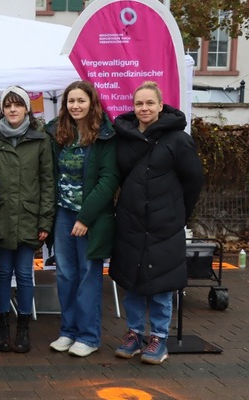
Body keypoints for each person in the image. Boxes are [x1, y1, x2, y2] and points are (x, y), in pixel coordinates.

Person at [110, 81, 203, 365]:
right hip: (131, 222)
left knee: (161, 285)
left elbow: (194, 181)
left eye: (150, 103)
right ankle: (135, 334)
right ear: (133, 107)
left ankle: (159, 339)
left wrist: (178, 215)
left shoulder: (178, 140)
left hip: (165, 225)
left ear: (161, 106)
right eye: (139, 103)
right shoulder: (124, 137)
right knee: (133, 281)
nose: (144, 108)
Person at [44, 80, 119, 358]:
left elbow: (109, 180)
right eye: (71, 101)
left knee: (88, 275)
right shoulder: (57, 132)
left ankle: (88, 336)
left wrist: (85, 217)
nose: (75, 106)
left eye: (81, 101)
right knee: (65, 274)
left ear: (92, 103)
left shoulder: (105, 135)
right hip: (63, 214)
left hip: (91, 217)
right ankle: (68, 331)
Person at [0, 86, 54, 354]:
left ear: (27, 109)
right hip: (0, 216)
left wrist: (45, 220)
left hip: (29, 216)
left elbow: (47, 181)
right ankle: (3, 327)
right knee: (1, 273)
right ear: (2, 109)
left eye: (18, 105)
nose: (13, 109)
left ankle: (23, 328)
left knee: (25, 274)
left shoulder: (40, 138)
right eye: (8, 105)